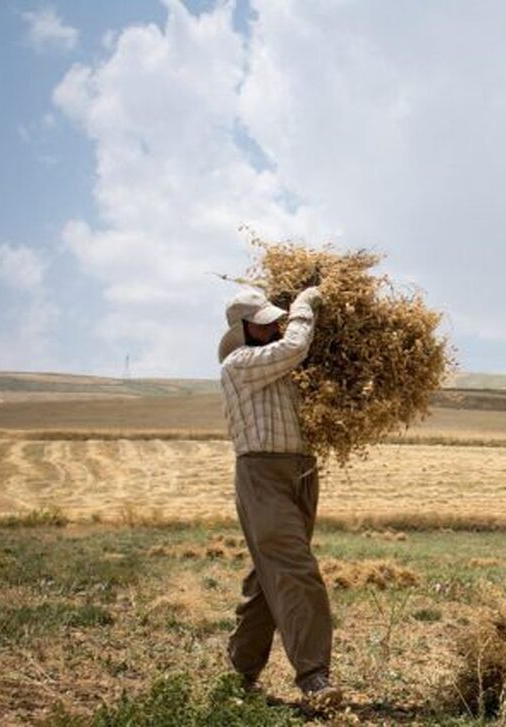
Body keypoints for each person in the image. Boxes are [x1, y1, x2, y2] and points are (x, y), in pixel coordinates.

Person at [216, 285, 343, 709]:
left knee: (267, 574)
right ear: (243, 330)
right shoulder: (239, 364)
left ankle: (240, 671)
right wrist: (305, 305)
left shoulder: (278, 371)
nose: (273, 325)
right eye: (264, 321)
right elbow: (295, 347)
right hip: (262, 476)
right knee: (295, 570)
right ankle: (314, 678)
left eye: (276, 318)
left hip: (300, 472)